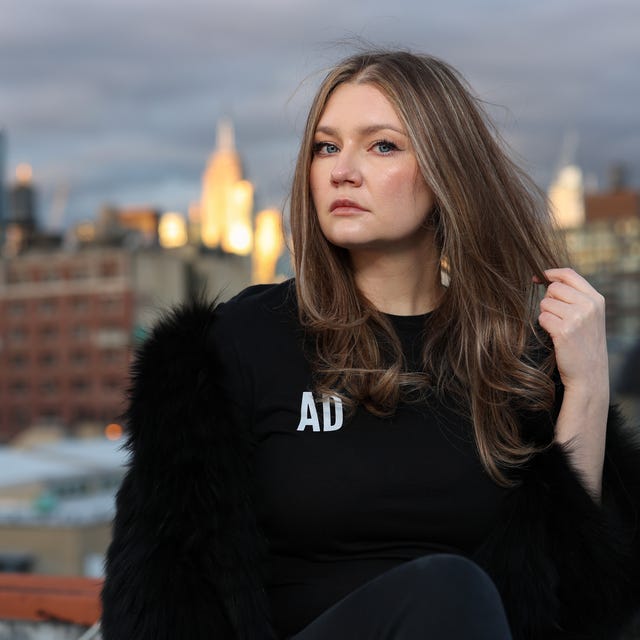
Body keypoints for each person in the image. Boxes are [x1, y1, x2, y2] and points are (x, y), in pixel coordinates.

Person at [101, 50, 640, 640]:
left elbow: (582, 605)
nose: (341, 171)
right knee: (445, 590)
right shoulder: (238, 344)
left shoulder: (513, 361)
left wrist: (585, 385)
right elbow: (158, 593)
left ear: (445, 171)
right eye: (326, 147)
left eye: (381, 146)